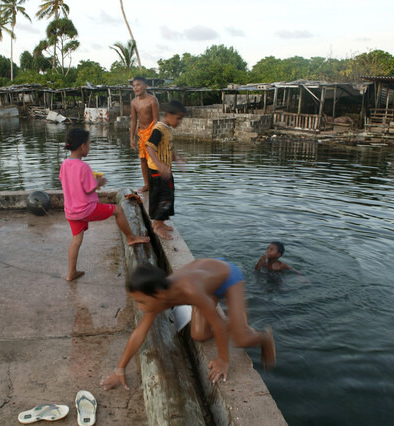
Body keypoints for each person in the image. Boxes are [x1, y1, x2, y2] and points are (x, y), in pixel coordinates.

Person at [100, 259, 275, 390]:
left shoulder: (190, 291)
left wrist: (223, 359)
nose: (139, 307)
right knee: (198, 335)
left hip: (228, 277)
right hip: (206, 282)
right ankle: (236, 321)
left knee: (241, 339)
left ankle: (264, 337)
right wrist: (120, 369)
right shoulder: (155, 298)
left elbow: (217, 325)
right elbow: (139, 333)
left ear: (158, 294)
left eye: (141, 301)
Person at [60, 128, 150, 281]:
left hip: (71, 211)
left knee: (76, 240)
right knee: (118, 210)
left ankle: (71, 273)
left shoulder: (65, 164)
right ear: (82, 146)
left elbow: (65, 181)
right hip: (86, 209)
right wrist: (98, 182)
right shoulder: (84, 167)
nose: (89, 147)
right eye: (89, 145)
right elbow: (89, 189)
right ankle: (131, 237)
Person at [145, 100, 186, 240]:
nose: (179, 122)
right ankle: (157, 225)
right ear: (168, 115)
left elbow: (169, 148)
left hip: (165, 171)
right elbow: (149, 147)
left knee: (168, 196)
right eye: (178, 118)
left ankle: (160, 222)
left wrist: (177, 159)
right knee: (164, 198)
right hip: (158, 171)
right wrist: (160, 165)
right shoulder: (159, 129)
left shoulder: (167, 129)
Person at [130, 76, 159, 193]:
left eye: (138, 85)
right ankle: (147, 184)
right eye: (133, 86)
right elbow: (133, 120)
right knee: (143, 160)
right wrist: (131, 137)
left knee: (153, 160)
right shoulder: (134, 102)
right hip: (141, 134)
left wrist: (155, 135)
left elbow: (156, 119)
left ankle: (156, 184)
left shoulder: (152, 100)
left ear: (146, 86)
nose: (135, 88)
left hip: (151, 131)